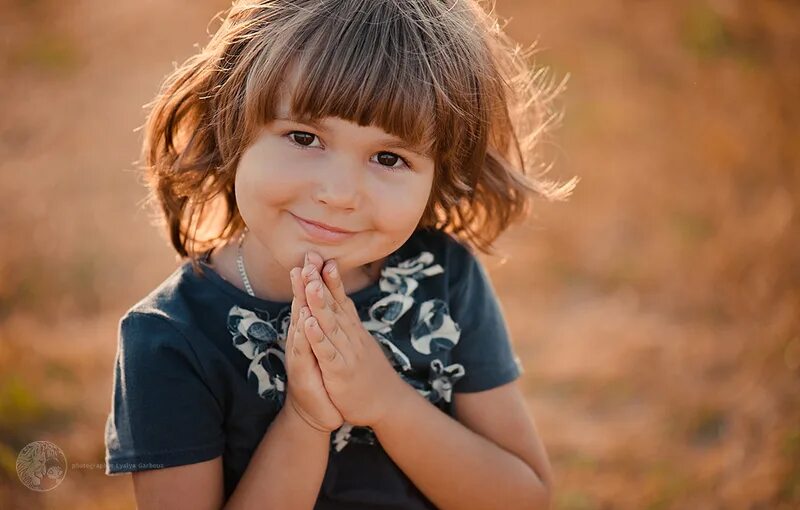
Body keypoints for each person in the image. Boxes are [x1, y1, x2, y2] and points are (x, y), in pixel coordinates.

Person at [104, 0, 577, 508]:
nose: (339, 193)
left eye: (389, 157)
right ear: (231, 125)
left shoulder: (443, 278)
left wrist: (386, 401)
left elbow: (524, 497)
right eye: (304, 137)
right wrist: (306, 420)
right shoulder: (170, 339)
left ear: (440, 176)